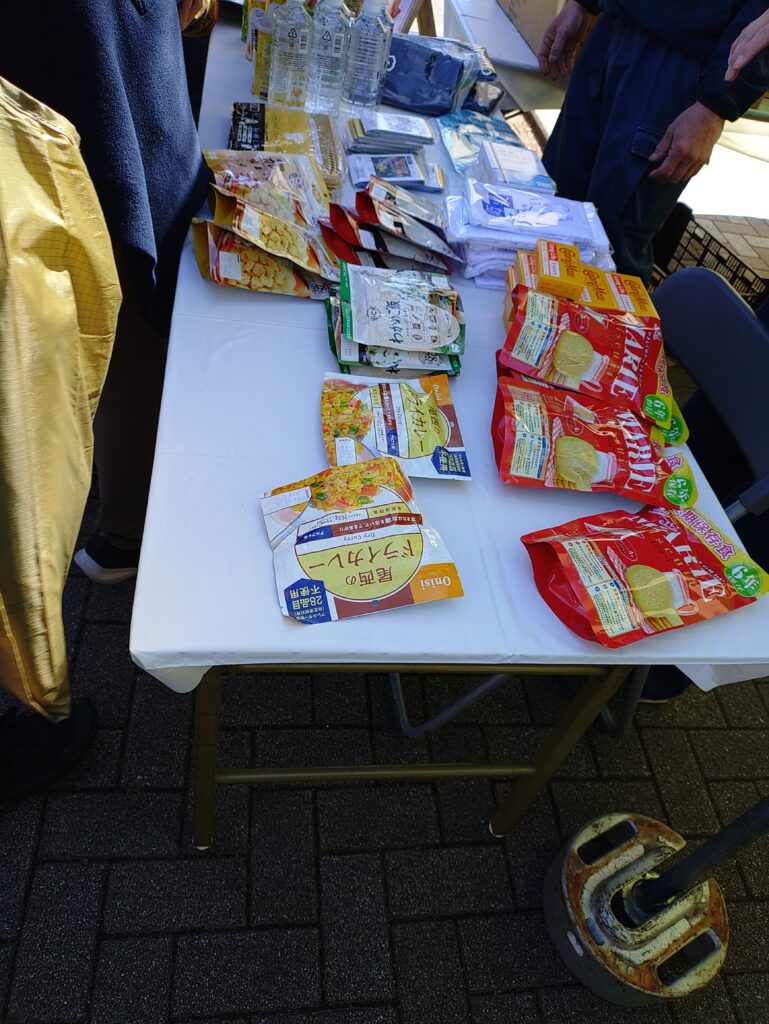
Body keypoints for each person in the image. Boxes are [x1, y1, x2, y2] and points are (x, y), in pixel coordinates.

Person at [0, 0, 215, 810]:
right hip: (77, 87)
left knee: (124, 301)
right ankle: (29, 692)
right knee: (40, 395)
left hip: (83, 90)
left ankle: (120, 532)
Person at [537, 1, 769, 284]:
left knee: (611, 243)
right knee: (556, 202)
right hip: (614, 26)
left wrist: (716, 104)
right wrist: (582, 4)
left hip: (681, 58)